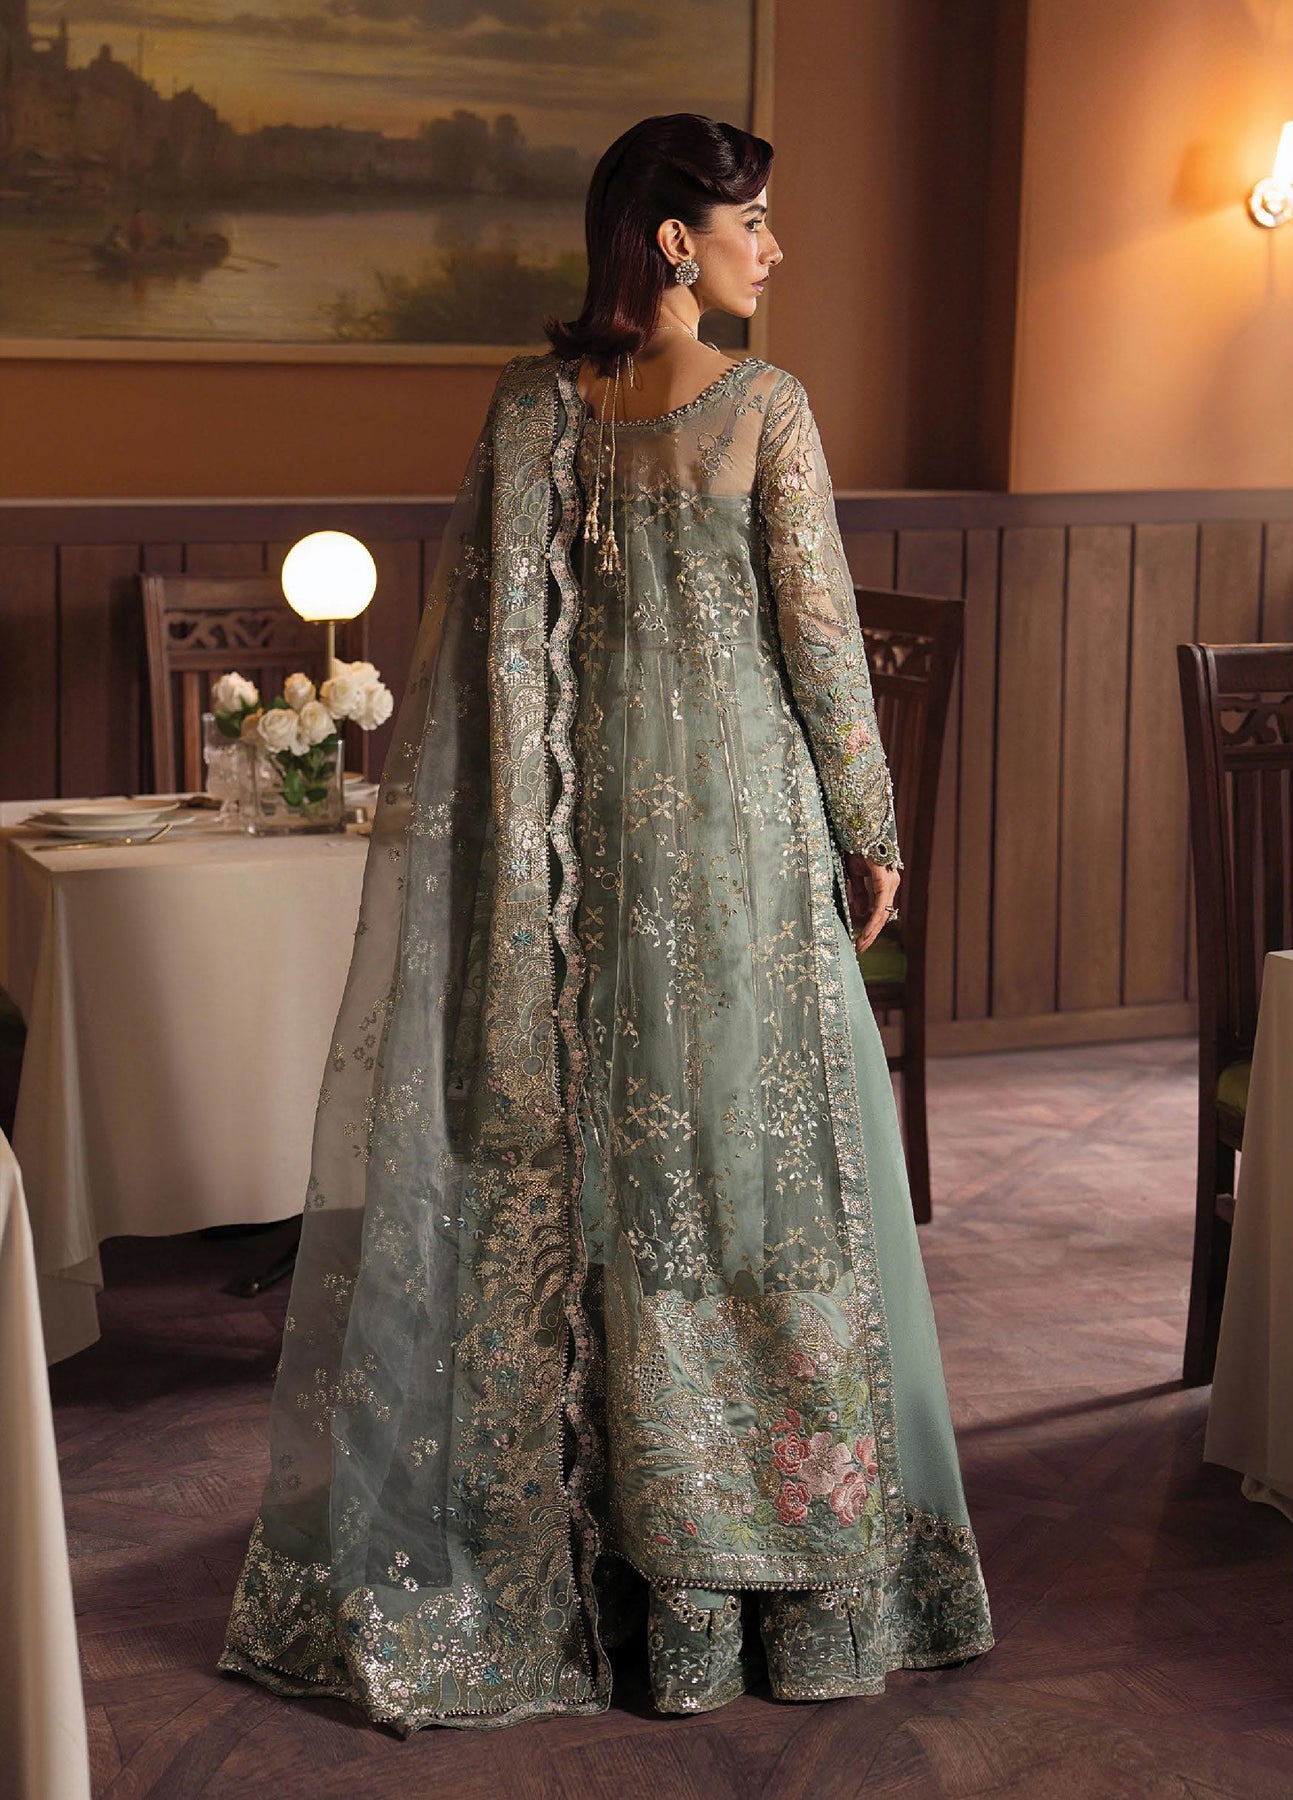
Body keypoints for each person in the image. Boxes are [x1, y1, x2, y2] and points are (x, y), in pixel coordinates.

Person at [220, 112, 992, 1729]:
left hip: (562, 880)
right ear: (674, 241)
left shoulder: (529, 411)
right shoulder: (762, 409)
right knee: (746, 1192)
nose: (772, 248)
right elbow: (819, 646)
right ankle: (765, 1585)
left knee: (596, 1189)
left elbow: (482, 660)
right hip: (732, 860)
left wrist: (498, 872)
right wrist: (871, 833)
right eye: (752, 221)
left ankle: (614, 1560)